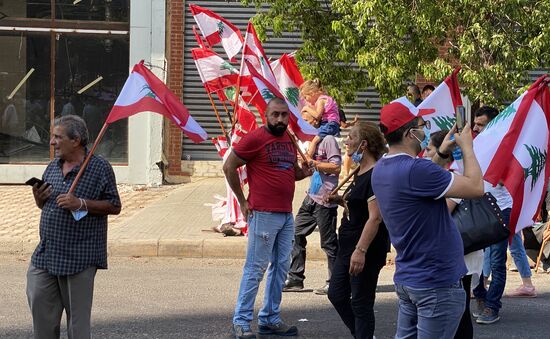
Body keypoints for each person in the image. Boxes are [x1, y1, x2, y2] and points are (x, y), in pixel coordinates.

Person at [371, 98, 484, 338]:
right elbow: (476, 187)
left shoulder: (382, 167)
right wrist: (467, 148)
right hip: (436, 282)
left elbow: (420, 180)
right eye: (422, 124)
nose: (425, 130)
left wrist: (442, 151)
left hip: (411, 278)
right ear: (411, 133)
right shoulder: (417, 170)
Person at [223, 98, 312, 339]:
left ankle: (270, 318)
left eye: (284, 115)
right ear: (266, 115)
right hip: (262, 213)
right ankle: (240, 321)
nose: (281, 119)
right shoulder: (255, 138)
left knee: (281, 268)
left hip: (285, 214)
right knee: (255, 269)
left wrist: (303, 173)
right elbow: (229, 166)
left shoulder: (289, 139)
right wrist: (242, 201)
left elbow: (289, 171)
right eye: (276, 115)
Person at [26, 115, 121, 339]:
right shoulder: (52, 167)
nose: (52, 142)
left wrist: (81, 203)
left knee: (77, 327)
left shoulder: (99, 168)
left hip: (79, 257)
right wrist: (38, 198)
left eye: (57, 137)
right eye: (52, 137)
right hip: (46, 255)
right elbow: (45, 206)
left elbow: (115, 205)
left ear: (75, 140)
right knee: (41, 315)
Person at [326, 122, 390, 339]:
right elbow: (361, 207)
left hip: (366, 248)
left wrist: (361, 251)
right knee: (336, 294)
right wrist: (342, 201)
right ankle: (362, 335)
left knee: (361, 303)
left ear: (363, 144)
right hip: (348, 245)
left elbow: (375, 217)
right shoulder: (358, 170)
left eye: (351, 137)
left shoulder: (376, 175)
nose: (346, 141)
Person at [283, 110, 342, 295]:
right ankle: (295, 278)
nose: (305, 120)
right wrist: (304, 164)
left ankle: (335, 282)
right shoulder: (313, 142)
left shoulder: (329, 140)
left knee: (329, 244)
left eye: (307, 117)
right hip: (311, 197)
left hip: (325, 200)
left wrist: (314, 163)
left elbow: (336, 167)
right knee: (295, 234)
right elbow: (309, 166)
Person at [471, 106, 515, 324]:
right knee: (475, 259)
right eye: (475, 124)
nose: (476, 128)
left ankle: (492, 306)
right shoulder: (472, 146)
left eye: (481, 124)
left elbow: (510, 178)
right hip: (478, 210)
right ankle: (480, 296)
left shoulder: (506, 148)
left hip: (501, 210)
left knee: (497, 261)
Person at [299, 79, 341, 160]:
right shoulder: (324, 98)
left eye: (305, 97)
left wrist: (306, 108)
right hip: (330, 123)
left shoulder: (321, 100)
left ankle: (307, 158)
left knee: (314, 141)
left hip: (329, 124)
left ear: (311, 93)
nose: (305, 100)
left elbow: (318, 115)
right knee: (317, 138)